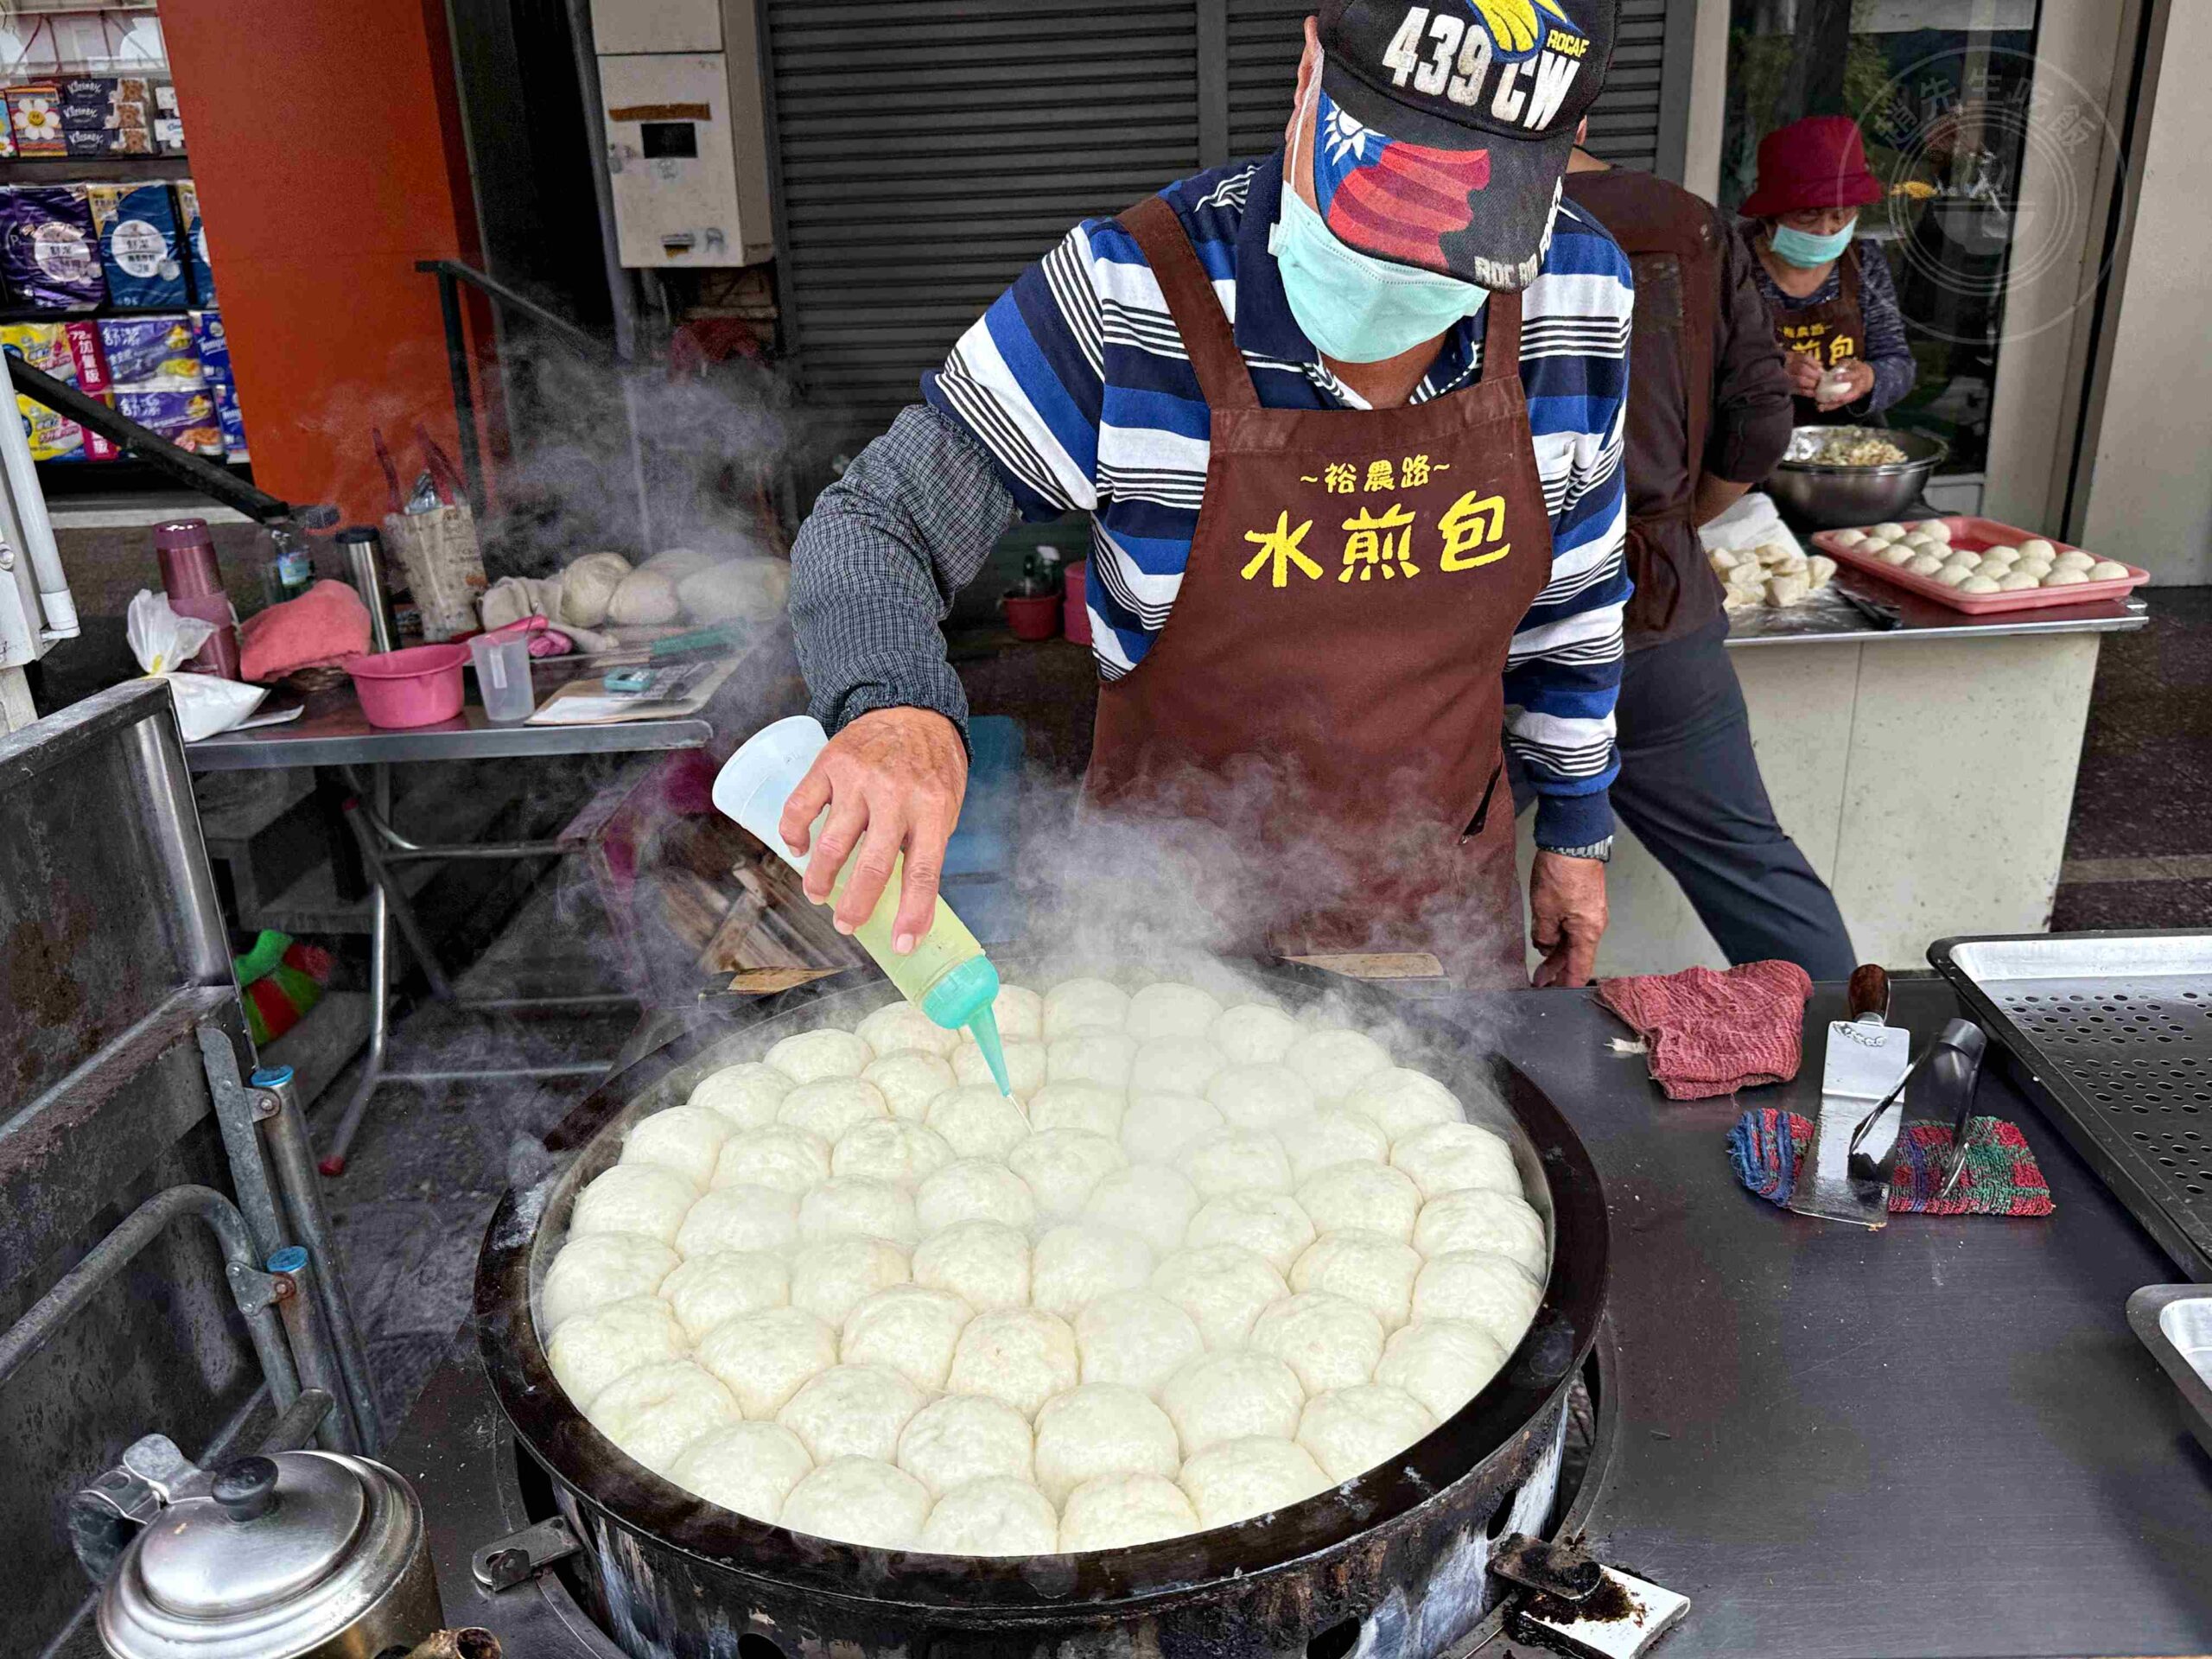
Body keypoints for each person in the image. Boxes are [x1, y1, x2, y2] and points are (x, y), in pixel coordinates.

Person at [779, 0, 1633, 989]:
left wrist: (1576, 829)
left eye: (1458, 243)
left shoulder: (1580, 296)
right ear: (1309, 67)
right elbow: (878, 521)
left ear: (1566, 145)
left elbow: (1574, 604)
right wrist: (893, 711)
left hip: (1432, 916)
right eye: (1378, 204)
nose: (1403, 267)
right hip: (1160, 924)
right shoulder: (1128, 292)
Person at [1555, 139, 1857, 980]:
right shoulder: (1687, 225)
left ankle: (1458, 1095)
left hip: (1490, 624)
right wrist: (1671, 524)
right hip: (1655, 606)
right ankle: (1854, 1063)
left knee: (1435, 881)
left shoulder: (1435, 219)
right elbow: (1758, 421)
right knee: (1749, 866)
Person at [1739, 115, 1916, 425]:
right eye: (1808, 215)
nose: (1825, 231)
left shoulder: (1864, 261)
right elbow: (1696, 363)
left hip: (1847, 443)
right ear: (1771, 215)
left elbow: (1899, 363)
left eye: (1840, 215)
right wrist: (1769, 369)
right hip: (1750, 438)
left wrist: (1870, 377)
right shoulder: (1732, 260)